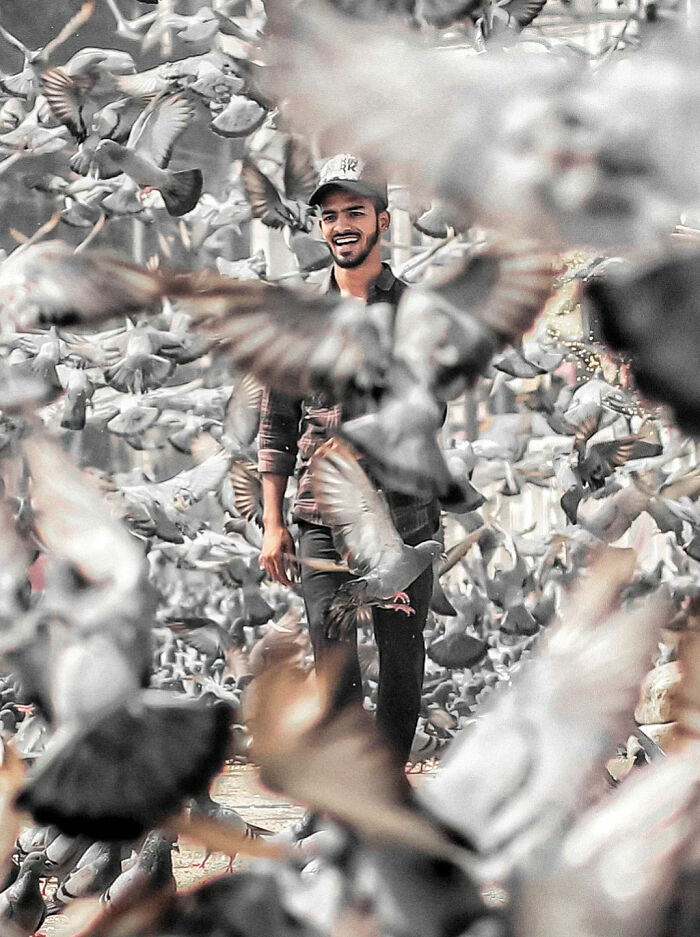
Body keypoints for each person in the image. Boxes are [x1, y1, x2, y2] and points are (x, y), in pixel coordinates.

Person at [257, 154, 440, 771]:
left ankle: (384, 790)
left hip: (405, 518)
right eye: (329, 215)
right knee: (331, 657)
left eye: (354, 213)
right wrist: (274, 524)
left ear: (381, 222)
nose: (341, 225)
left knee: (401, 661)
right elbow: (277, 427)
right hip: (317, 517)